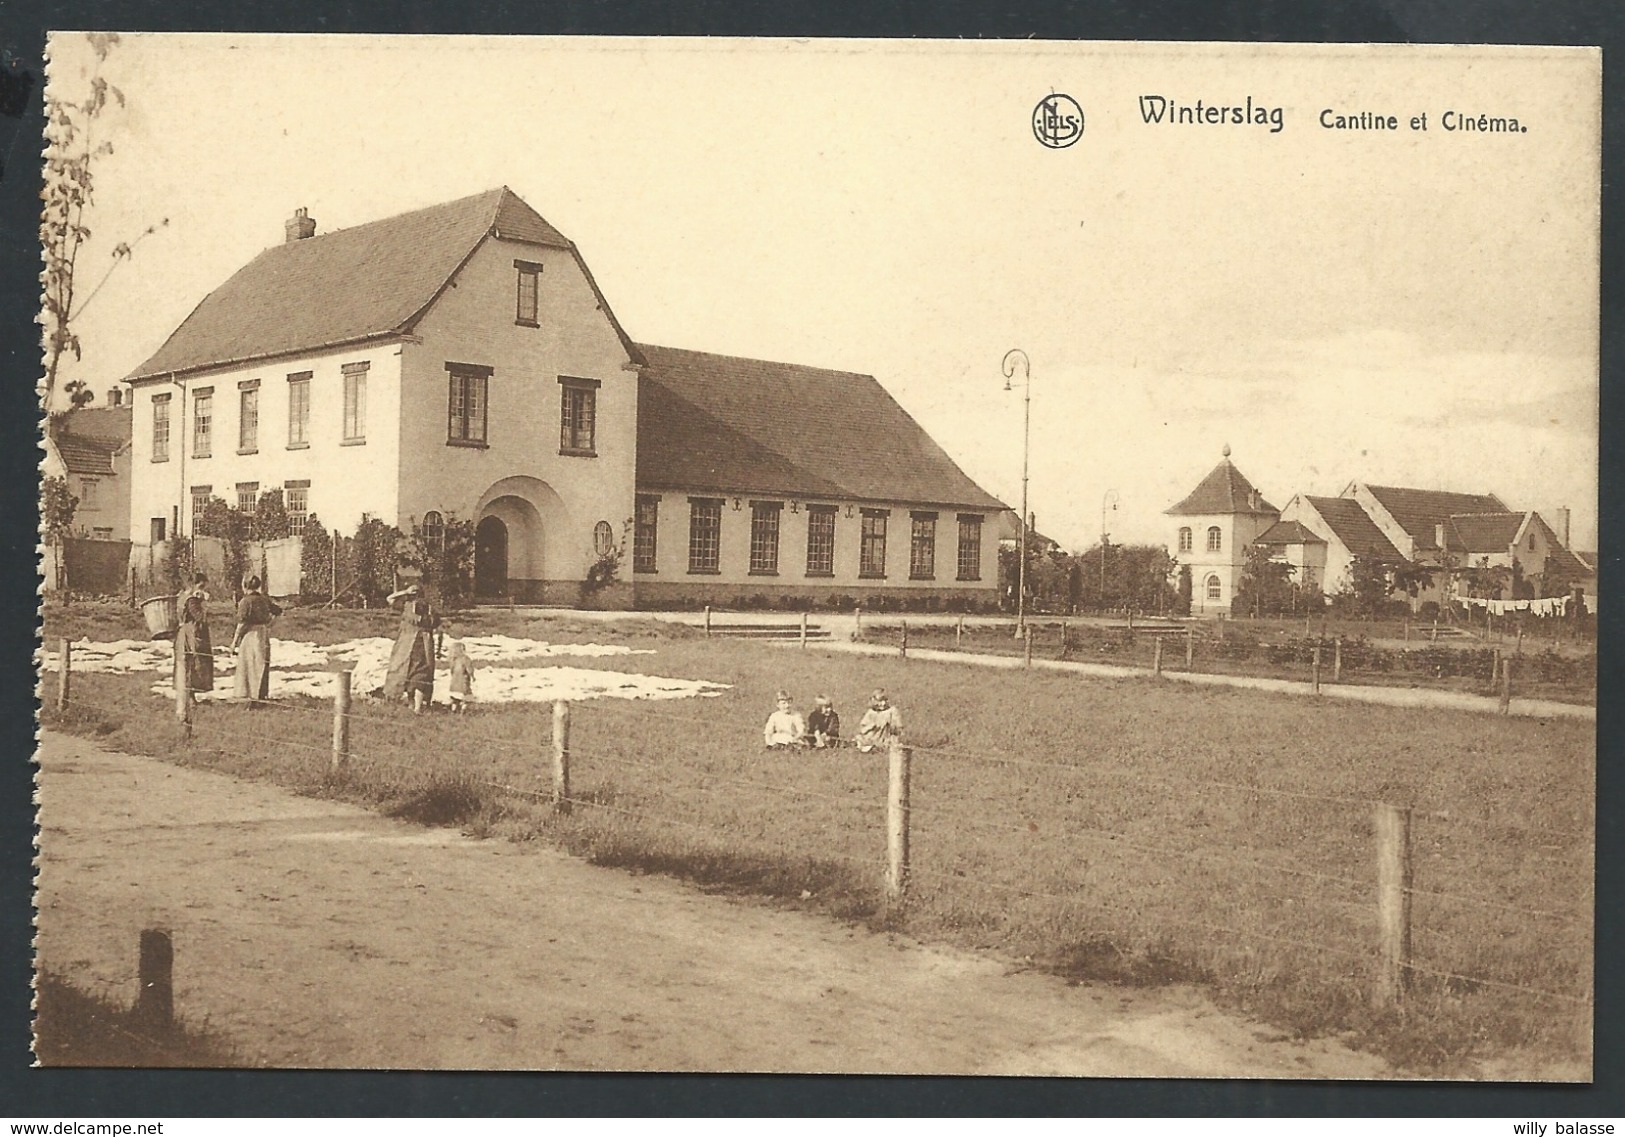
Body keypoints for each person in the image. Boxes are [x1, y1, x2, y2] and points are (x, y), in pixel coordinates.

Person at [384, 583, 440, 713]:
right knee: (420, 674)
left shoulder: (406, 607)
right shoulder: (430, 609)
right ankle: (417, 706)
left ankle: (414, 705)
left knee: (409, 672)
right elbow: (437, 626)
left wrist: (404, 592)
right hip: (423, 644)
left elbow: (390, 598)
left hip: (409, 645)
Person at [230, 575, 281, 702]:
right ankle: (261, 693)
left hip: (250, 634)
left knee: (250, 663)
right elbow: (278, 611)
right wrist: (269, 624)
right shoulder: (264, 599)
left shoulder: (245, 601)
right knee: (261, 662)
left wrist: (234, 642)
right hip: (262, 632)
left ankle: (249, 693)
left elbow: (242, 624)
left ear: (245, 585)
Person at [174, 591, 214, 703]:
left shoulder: (183, 597)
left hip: (187, 632)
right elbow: (201, 617)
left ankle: (191, 696)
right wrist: (204, 603)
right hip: (192, 633)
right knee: (194, 662)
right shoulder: (192, 601)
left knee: (192, 661)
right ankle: (190, 697)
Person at [854, 688, 903, 753]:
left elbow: (898, 728)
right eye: (879, 701)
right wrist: (871, 726)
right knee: (859, 739)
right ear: (873, 701)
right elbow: (863, 728)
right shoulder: (871, 712)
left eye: (885, 700)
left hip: (885, 738)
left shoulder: (892, 711)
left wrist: (890, 726)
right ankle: (868, 747)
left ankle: (880, 748)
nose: (883, 703)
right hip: (871, 737)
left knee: (894, 743)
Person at [446, 637, 476, 713]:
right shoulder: (465, 659)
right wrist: (472, 676)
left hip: (453, 685)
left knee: (455, 700)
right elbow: (469, 669)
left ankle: (453, 711)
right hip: (463, 684)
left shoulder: (453, 661)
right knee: (465, 700)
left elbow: (452, 672)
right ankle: (463, 711)